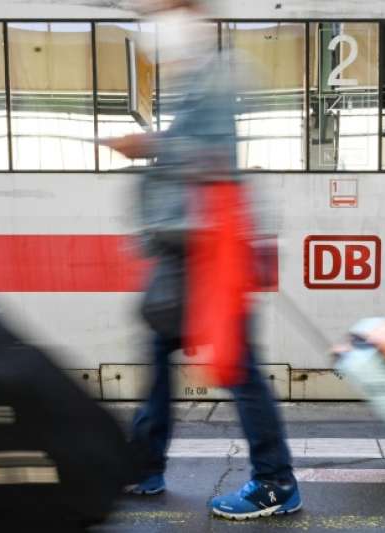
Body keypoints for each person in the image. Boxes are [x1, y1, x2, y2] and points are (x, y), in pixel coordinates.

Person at [104, 0, 302, 521]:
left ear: (188, 15)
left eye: (161, 11)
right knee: (160, 356)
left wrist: (145, 143)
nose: (152, 25)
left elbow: (211, 159)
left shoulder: (212, 78)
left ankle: (275, 482)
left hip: (206, 255)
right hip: (180, 252)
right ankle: (145, 466)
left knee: (238, 368)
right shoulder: (195, 78)